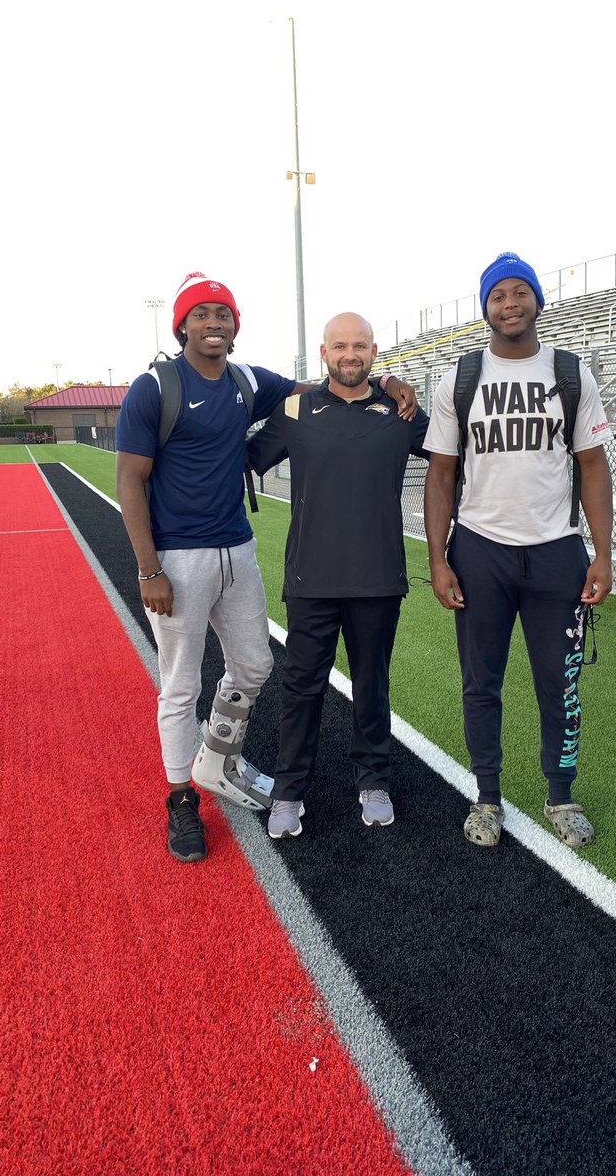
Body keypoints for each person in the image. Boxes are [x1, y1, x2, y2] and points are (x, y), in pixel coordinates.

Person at [115, 275, 418, 863]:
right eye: (201, 315)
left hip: (238, 546)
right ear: (182, 324)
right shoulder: (154, 386)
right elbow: (130, 478)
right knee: (181, 684)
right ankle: (182, 800)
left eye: (222, 314)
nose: (213, 324)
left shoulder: (247, 380)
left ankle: (215, 760)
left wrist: (384, 379)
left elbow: (327, 385)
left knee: (255, 665)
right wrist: (148, 568)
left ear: (235, 324)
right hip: (177, 554)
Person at [423, 253, 613, 849]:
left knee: (561, 680)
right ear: (485, 307)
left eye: (519, 292)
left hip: (556, 550)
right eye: (498, 294)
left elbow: (593, 467)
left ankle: (561, 794)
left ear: (536, 299)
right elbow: (441, 475)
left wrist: (602, 554)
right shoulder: (461, 375)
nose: (510, 303)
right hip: (481, 549)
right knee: (482, 682)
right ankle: (487, 795)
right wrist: (438, 557)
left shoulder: (570, 371)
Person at [246, 312, 429, 840]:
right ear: (324, 353)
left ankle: (373, 779)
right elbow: (243, 457)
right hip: (312, 579)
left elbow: (450, 457)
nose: (351, 354)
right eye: (340, 346)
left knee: (372, 685)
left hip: (378, 579)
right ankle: (288, 789)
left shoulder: (401, 412)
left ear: (375, 351)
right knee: (301, 687)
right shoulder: (295, 409)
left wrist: (397, 385)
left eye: (360, 345)